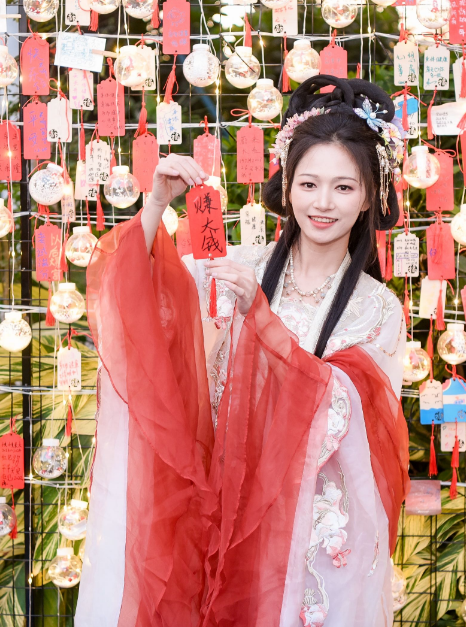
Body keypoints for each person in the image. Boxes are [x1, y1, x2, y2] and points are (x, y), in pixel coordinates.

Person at [75, 75, 410, 627]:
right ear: (288, 185)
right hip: (214, 511)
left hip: (309, 540)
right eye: (309, 184)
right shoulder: (237, 268)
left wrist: (261, 322)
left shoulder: (378, 309)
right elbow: (144, 310)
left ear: (371, 195)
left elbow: (349, 419)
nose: (323, 203)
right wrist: (156, 204)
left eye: (344, 188)